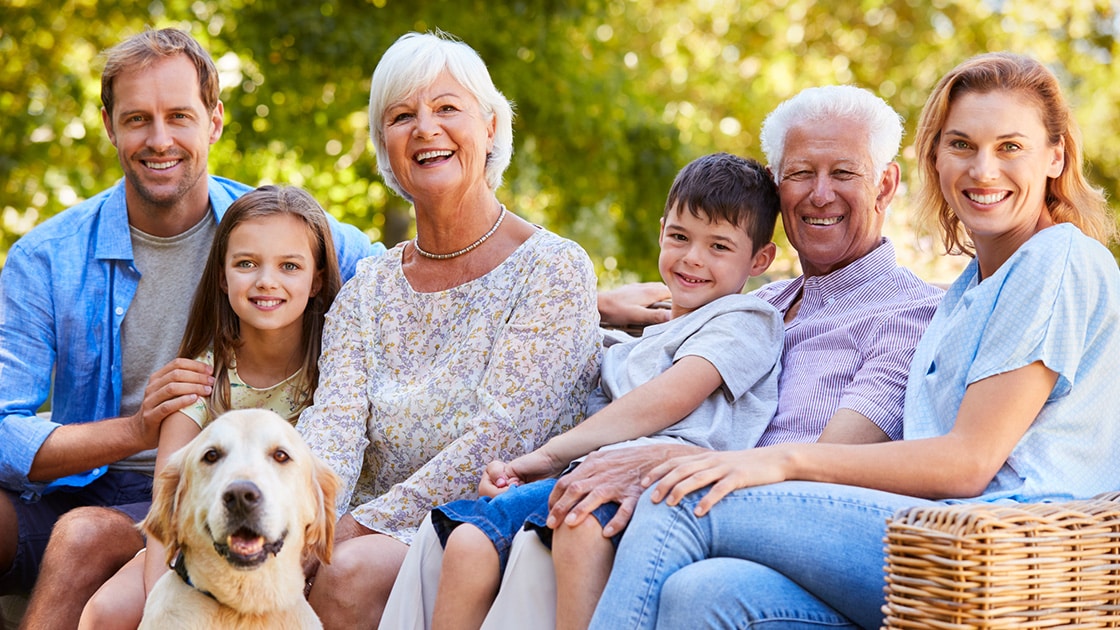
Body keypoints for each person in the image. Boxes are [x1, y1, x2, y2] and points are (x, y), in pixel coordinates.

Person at [589, 52, 1120, 630]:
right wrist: (601, 302)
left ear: (1056, 155)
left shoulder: (1055, 258)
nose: (983, 170)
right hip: (927, 544)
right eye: (962, 145)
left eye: (1010, 147)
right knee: (705, 593)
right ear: (936, 158)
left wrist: (777, 462)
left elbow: (969, 462)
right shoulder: (969, 291)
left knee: (682, 501)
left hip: (1001, 555)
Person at [389, 84, 945, 629]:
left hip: (744, 525)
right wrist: (598, 309)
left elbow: (828, 468)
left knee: (580, 531)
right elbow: (628, 364)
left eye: (843, 173)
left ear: (886, 183)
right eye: (800, 174)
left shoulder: (909, 313)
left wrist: (659, 465)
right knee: (461, 536)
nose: (820, 193)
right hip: (651, 493)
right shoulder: (745, 299)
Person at [0, 28, 383, 629]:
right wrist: (135, 428)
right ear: (108, 125)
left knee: (83, 536)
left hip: (205, 487)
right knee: (70, 520)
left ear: (215, 121)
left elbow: (406, 277)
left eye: (179, 116)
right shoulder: (46, 257)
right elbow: (1, 427)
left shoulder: (266, 230)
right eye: (136, 120)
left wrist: (567, 290)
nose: (159, 140)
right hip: (83, 482)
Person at [294, 31, 602, 629]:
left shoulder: (553, 268)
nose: (425, 128)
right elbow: (332, 427)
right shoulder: (370, 286)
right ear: (385, 146)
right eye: (402, 115)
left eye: (447, 109)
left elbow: (503, 437)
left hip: (480, 523)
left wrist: (351, 530)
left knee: (345, 575)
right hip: (356, 525)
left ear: (490, 127)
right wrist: (308, 523)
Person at [411, 152, 784, 630]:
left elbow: (674, 396)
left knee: (579, 525)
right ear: (661, 230)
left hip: (664, 482)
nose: (692, 257)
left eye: (719, 247)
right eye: (679, 236)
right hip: (586, 473)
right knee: (466, 541)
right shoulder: (629, 347)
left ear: (760, 259)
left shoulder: (747, 319)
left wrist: (547, 457)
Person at [75, 184, 343, 629]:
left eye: (289, 266)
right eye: (246, 264)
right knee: (104, 613)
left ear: (316, 278)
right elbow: (171, 500)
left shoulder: (337, 366)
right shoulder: (199, 378)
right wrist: (165, 613)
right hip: (210, 546)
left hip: (292, 548)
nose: (266, 281)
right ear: (222, 275)